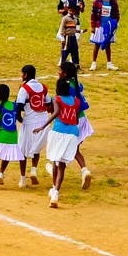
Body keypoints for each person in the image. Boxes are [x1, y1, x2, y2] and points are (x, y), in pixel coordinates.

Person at [44, 66, 92, 208]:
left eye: (60, 70)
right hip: (78, 121)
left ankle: (55, 189)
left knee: (57, 159)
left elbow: (55, 110)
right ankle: (84, 170)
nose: (58, 72)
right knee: (71, 151)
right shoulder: (76, 85)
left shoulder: (59, 97)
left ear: (64, 73)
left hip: (63, 126)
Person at [16, 64, 53, 182]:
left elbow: (19, 106)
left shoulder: (24, 88)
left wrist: (20, 119)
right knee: (36, 147)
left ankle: (22, 178)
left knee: (23, 149)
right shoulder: (43, 87)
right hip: (43, 121)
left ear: (25, 75)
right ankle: (33, 169)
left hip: (29, 121)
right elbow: (48, 102)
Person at [88, 0, 120, 71]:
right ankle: (93, 62)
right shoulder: (97, 0)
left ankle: (109, 63)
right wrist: (93, 26)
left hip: (108, 26)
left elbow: (117, 13)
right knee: (97, 45)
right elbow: (93, 14)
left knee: (108, 45)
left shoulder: (113, 1)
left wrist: (114, 23)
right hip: (99, 25)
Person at [55, 0, 82, 73]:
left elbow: (74, 29)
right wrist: (62, 38)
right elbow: (62, 28)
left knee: (75, 51)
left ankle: (76, 66)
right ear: (68, 10)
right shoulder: (65, 18)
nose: (71, 12)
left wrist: (81, 31)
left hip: (73, 37)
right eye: (70, 10)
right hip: (67, 37)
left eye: (73, 11)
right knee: (65, 52)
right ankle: (62, 67)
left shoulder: (75, 19)